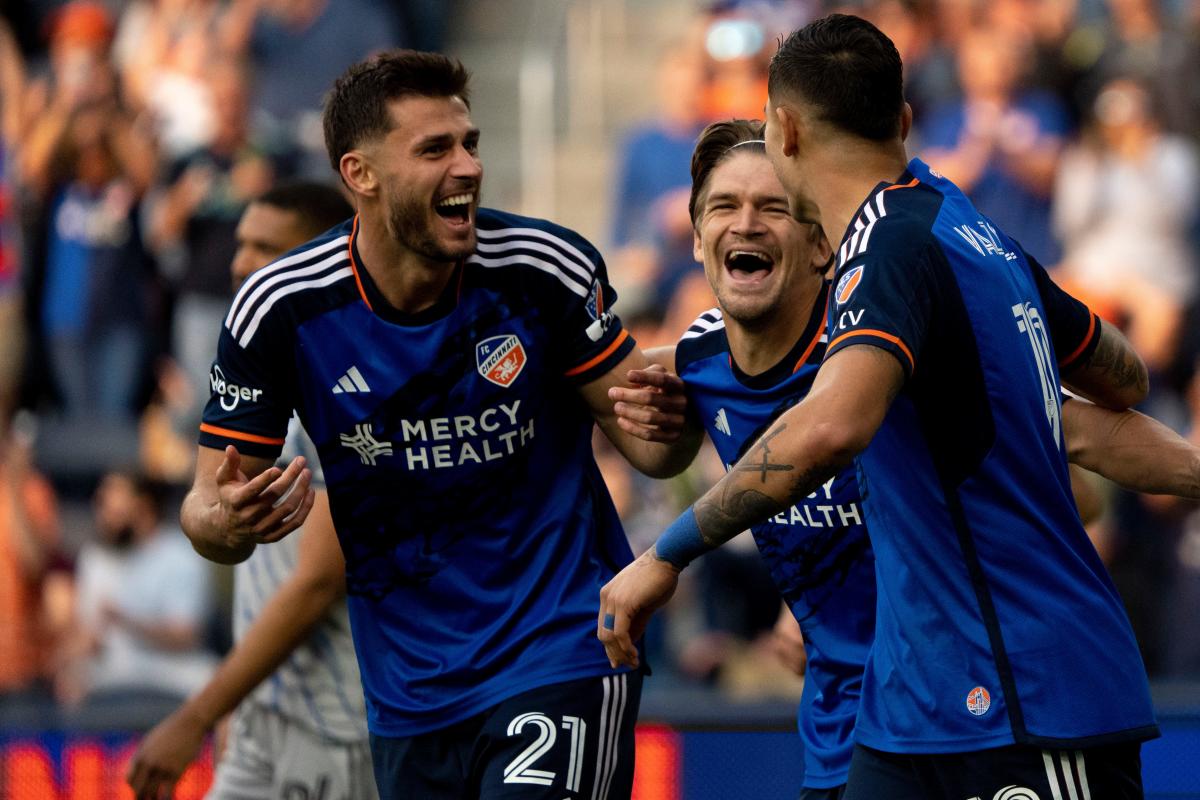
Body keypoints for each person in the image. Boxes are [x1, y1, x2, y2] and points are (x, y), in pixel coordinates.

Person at [599, 15, 1158, 799]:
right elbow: (1121, 378)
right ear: (902, 121)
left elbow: (833, 426)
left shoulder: (892, 251)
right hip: (905, 716)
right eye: (721, 208)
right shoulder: (961, 220)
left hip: (1026, 690)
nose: (747, 223)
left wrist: (665, 553)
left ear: (784, 131)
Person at [180, 50, 692, 799]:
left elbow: (654, 449)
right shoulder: (280, 308)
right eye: (435, 149)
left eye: (470, 144)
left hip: (556, 648)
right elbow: (203, 509)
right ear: (361, 174)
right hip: (408, 694)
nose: (468, 167)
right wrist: (226, 522)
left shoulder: (540, 267)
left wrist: (675, 418)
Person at [126, 182, 375, 800]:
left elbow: (316, 582)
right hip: (268, 715)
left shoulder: (350, 384)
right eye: (241, 243)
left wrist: (197, 714)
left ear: (322, 260)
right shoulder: (255, 378)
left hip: (338, 726)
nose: (240, 263)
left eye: (265, 248)